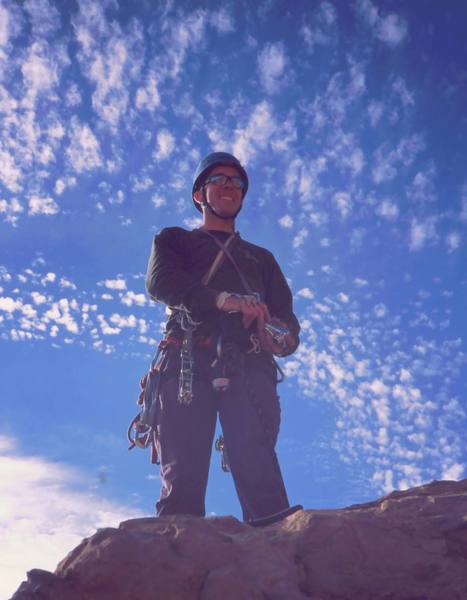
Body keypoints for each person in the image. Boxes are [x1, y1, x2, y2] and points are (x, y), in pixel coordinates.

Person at [145, 151, 302, 526]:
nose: (230, 186)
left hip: (249, 362)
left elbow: (288, 324)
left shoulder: (261, 259)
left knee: (260, 474)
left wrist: (278, 337)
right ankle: (174, 566)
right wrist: (223, 300)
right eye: (220, 179)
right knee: (181, 480)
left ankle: (277, 565)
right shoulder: (174, 241)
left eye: (237, 182)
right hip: (186, 358)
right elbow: (160, 282)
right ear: (200, 194)